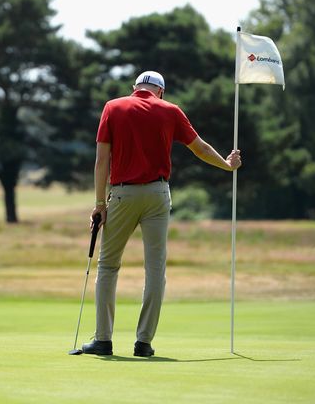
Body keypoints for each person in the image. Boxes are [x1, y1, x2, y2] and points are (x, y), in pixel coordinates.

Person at [81, 71, 242, 357]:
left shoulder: (113, 107)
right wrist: (227, 165)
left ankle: (103, 340)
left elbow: (101, 161)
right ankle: (143, 342)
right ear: (161, 92)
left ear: (135, 88)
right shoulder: (171, 111)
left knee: (108, 266)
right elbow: (201, 149)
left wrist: (99, 204)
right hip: (158, 194)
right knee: (155, 270)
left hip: (121, 193)